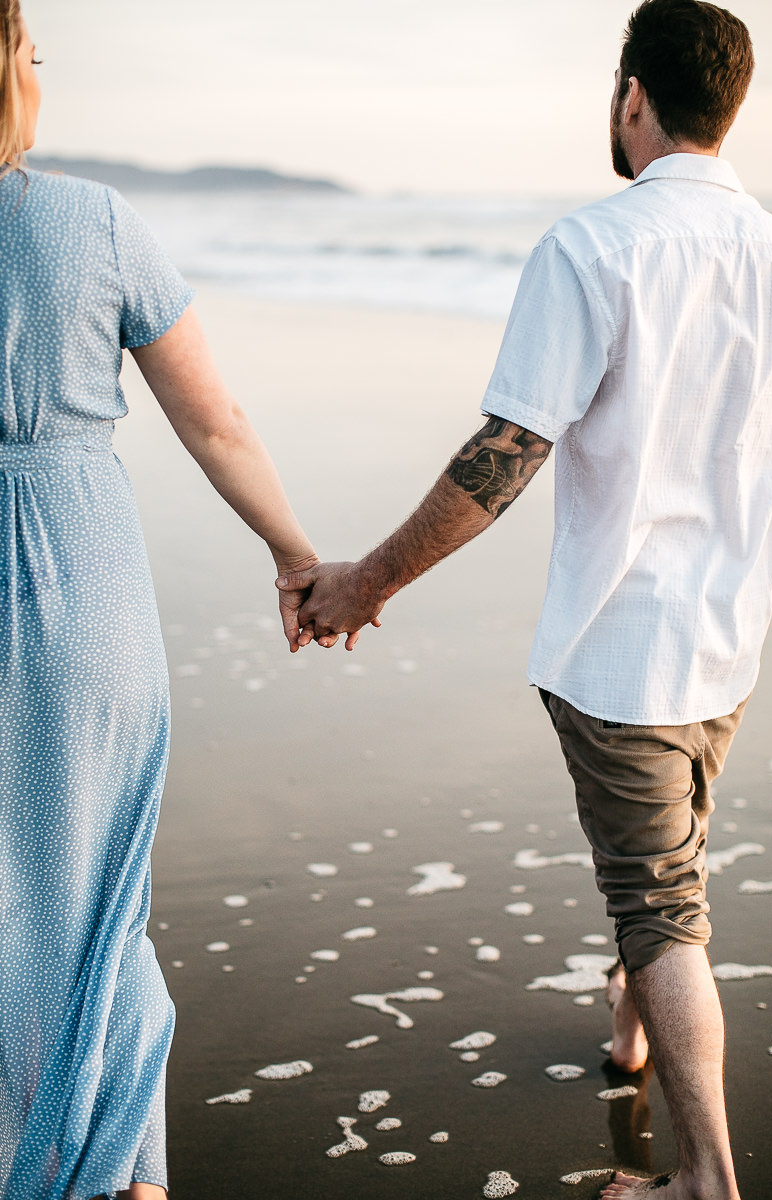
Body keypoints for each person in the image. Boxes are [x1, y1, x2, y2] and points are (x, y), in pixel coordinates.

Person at [278, 2, 772, 1197]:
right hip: (726, 637)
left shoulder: (592, 247)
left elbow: (507, 454)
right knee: (666, 855)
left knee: (659, 899)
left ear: (631, 97)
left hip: (621, 647)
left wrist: (362, 582)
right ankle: (629, 1021)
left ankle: (702, 1178)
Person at [0, 6, 316, 1198]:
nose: (41, 70)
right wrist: (297, 556)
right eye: (30, 51)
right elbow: (216, 423)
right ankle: (133, 1178)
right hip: (82, 585)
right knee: (99, 894)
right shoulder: (96, 222)